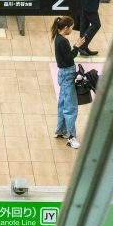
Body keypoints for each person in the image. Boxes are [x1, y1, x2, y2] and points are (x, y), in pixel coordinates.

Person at [51, 16, 84, 150]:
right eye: (71, 27)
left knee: (63, 103)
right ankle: (71, 137)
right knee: (70, 107)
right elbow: (70, 58)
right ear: (65, 28)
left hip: (63, 74)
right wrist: (76, 46)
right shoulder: (63, 42)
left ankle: (61, 130)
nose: (72, 29)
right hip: (67, 75)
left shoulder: (58, 39)